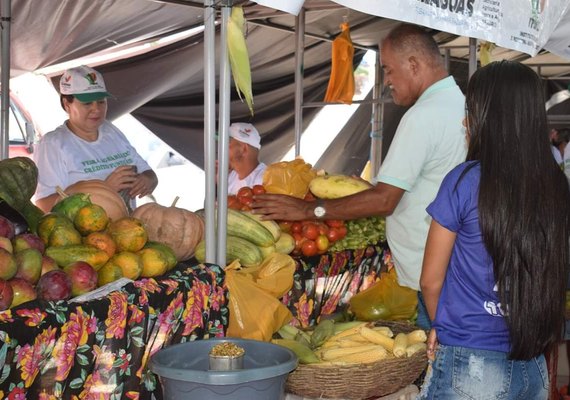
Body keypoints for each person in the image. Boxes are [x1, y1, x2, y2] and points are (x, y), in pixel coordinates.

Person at [252, 23, 467, 329]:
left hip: (436, 273)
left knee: (443, 354)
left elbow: (384, 201)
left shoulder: (422, 116)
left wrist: (308, 209)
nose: (387, 81)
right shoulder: (461, 104)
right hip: (456, 265)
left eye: (389, 70)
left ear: (414, 64)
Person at [418, 60, 570, 399]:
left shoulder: (464, 181)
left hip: (470, 363)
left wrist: (441, 327)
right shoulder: (556, 185)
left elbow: (430, 281)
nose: (465, 121)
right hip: (533, 368)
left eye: (471, 110)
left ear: (492, 117)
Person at [33, 65, 158, 212]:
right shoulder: (52, 144)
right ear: (67, 104)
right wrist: (104, 190)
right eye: (87, 103)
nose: (96, 109)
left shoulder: (111, 131)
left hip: (125, 229)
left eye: (101, 102)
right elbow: (44, 205)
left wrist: (147, 180)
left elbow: (149, 174)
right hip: (86, 234)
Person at [226, 122, 266, 195]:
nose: (222, 149)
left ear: (243, 149)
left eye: (228, 144)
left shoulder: (265, 180)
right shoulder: (233, 175)